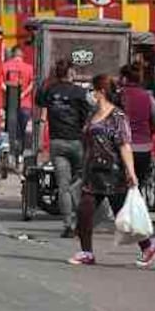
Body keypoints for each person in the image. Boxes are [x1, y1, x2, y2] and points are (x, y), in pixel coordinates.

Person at [69, 74, 155, 268]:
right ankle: (87, 252)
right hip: (93, 172)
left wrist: (131, 172)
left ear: (101, 92)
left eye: (92, 90)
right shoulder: (92, 114)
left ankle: (148, 246)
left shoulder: (118, 116)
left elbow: (125, 145)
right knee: (84, 211)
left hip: (113, 173)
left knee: (124, 213)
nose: (90, 94)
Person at [36, 59, 91, 237]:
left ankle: (68, 225)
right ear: (72, 74)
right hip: (77, 142)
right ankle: (81, 221)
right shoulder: (80, 93)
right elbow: (88, 117)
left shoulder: (50, 91)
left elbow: (38, 99)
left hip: (57, 143)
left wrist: (49, 80)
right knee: (81, 182)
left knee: (63, 185)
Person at [121, 64, 155, 203]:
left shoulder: (118, 97)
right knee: (139, 179)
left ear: (124, 78)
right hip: (143, 147)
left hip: (122, 147)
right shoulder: (147, 97)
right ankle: (137, 205)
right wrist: (148, 131)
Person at [4, 45, 36, 153]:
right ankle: (20, 153)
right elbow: (32, 83)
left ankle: (11, 152)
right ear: (22, 55)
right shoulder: (29, 68)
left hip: (9, 104)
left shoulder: (5, 66)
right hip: (25, 104)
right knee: (22, 131)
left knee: (9, 130)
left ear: (12, 54)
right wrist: (23, 94)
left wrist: (9, 93)